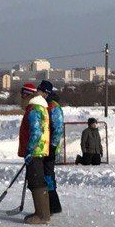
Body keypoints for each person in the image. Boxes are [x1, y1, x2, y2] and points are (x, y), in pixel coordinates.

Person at [17, 83, 51, 224]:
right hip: (40, 150)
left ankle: (42, 215)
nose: (21, 97)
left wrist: (30, 150)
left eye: (23, 95)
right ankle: (42, 212)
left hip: (35, 151)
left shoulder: (34, 109)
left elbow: (36, 132)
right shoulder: (41, 107)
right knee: (38, 180)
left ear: (28, 94)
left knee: (36, 181)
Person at [38, 81, 65, 215]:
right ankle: (49, 205)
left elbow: (58, 128)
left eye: (41, 91)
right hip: (43, 147)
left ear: (47, 93)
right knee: (43, 175)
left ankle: (53, 205)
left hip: (50, 148)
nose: (39, 93)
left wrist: (53, 147)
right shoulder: (42, 105)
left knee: (48, 175)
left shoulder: (53, 107)